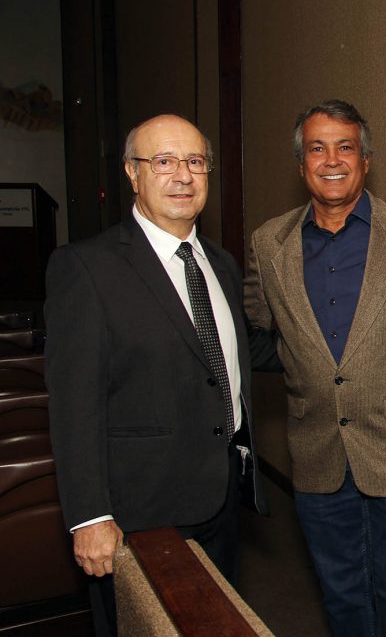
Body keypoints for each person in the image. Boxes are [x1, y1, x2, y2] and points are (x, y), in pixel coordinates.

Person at [45, 114, 274, 636]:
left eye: (195, 162)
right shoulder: (86, 267)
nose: (183, 176)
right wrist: (89, 516)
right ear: (132, 172)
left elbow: (231, 355)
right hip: (139, 510)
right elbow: (74, 404)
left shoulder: (220, 263)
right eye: (164, 161)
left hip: (222, 496)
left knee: (216, 624)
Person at [244, 100, 386, 636]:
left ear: (365, 160)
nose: (332, 160)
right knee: (341, 595)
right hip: (316, 453)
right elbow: (259, 336)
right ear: (301, 164)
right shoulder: (268, 243)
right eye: (317, 148)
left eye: (345, 147)